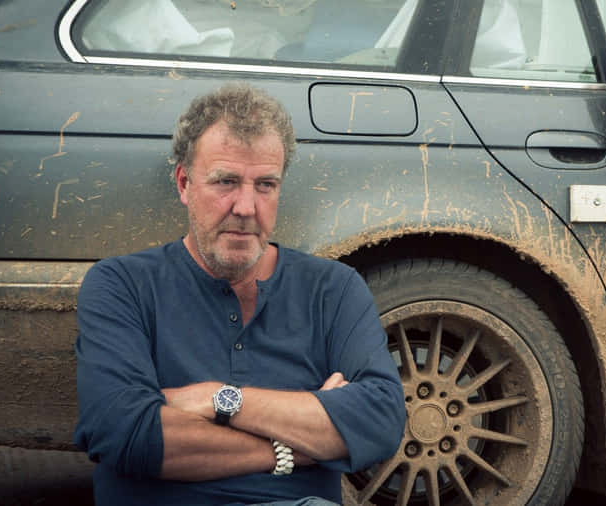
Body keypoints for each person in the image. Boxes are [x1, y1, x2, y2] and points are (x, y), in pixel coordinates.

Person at [74, 83, 406, 505]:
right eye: (225, 182)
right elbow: (124, 433)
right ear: (183, 183)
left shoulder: (333, 289)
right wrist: (294, 448)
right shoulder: (122, 285)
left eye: (265, 185)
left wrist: (219, 400)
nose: (246, 207)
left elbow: (380, 423)